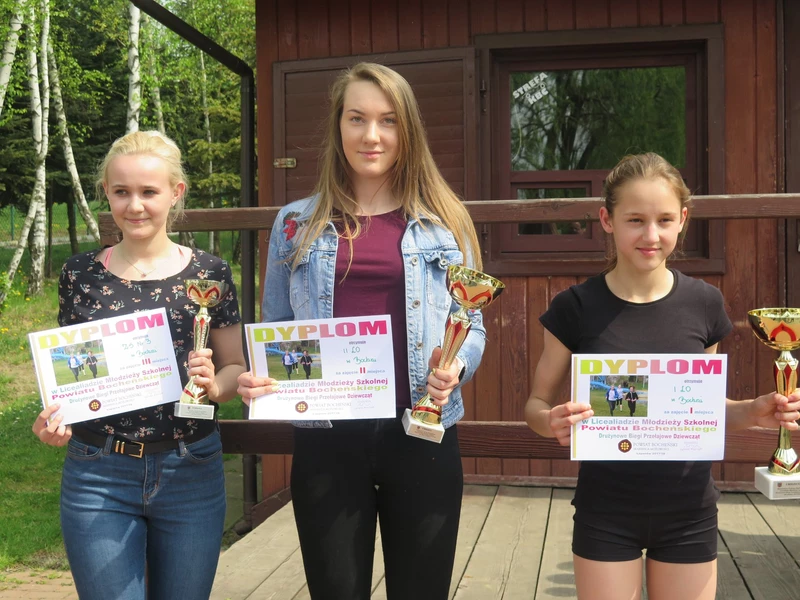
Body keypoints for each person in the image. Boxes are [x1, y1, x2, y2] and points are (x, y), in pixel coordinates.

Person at [237, 62, 486, 600]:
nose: (372, 135)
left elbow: (473, 324)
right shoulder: (294, 223)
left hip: (422, 432)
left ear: (407, 129)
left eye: (388, 120)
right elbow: (276, 329)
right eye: (357, 118)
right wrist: (262, 377)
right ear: (338, 126)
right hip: (327, 437)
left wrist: (457, 366)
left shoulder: (447, 221)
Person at [523, 152, 800, 600]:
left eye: (665, 220)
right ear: (607, 220)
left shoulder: (704, 303)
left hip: (689, 509)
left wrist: (754, 411)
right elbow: (536, 405)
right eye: (635, 220)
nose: (651, 235)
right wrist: (549, 420)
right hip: (605, 509)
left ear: (682, 220)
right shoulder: (574, 307)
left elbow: (699, 409)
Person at [31, 131, 246, 600]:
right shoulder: (78, 273)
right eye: (121, 191)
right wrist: (56, 417)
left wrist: (213, 386)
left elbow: (233, 368)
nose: (135, 206)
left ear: (175, 192)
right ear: (106, 193)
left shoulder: (209, 273)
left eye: (149, 191)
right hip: (98, 471)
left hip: (190, 467)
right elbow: (72, 369)